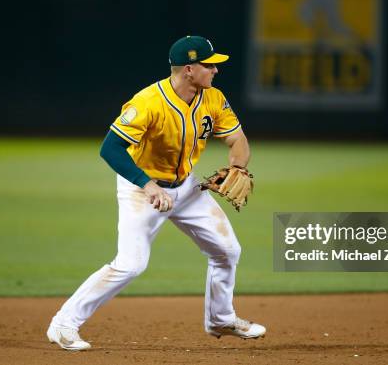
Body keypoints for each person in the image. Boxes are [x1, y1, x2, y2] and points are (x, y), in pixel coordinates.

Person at [46, 35, 266, 351]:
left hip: (188, 188)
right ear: (189, 69)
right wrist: (147, 185)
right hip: (142, 189)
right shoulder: (148, 102)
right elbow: (110, 148)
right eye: (209, 65)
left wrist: (238, 168)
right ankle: (63, 325)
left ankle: (220, 318)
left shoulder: (213, 99)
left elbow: (238, 140)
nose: (216, 70)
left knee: (227, 250)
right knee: (131, 264)